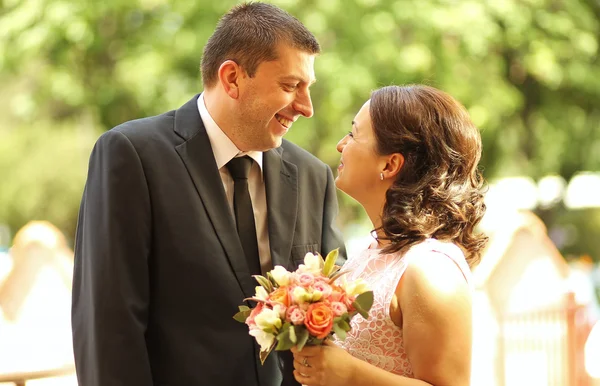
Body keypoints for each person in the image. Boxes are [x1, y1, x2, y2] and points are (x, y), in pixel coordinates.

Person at [71, 3, 346, 386]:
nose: (306, 108)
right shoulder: (131, 154)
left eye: (307, 88)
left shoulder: (313, 176)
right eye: (289, 86)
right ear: (232, 78)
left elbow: (332, 328)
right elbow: (109, 322)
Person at [290, 85, 488, 386]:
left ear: (390, 164)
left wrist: (350, 374)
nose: (342, 144)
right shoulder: (372, 251)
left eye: (354, 134)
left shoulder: (431, 269)